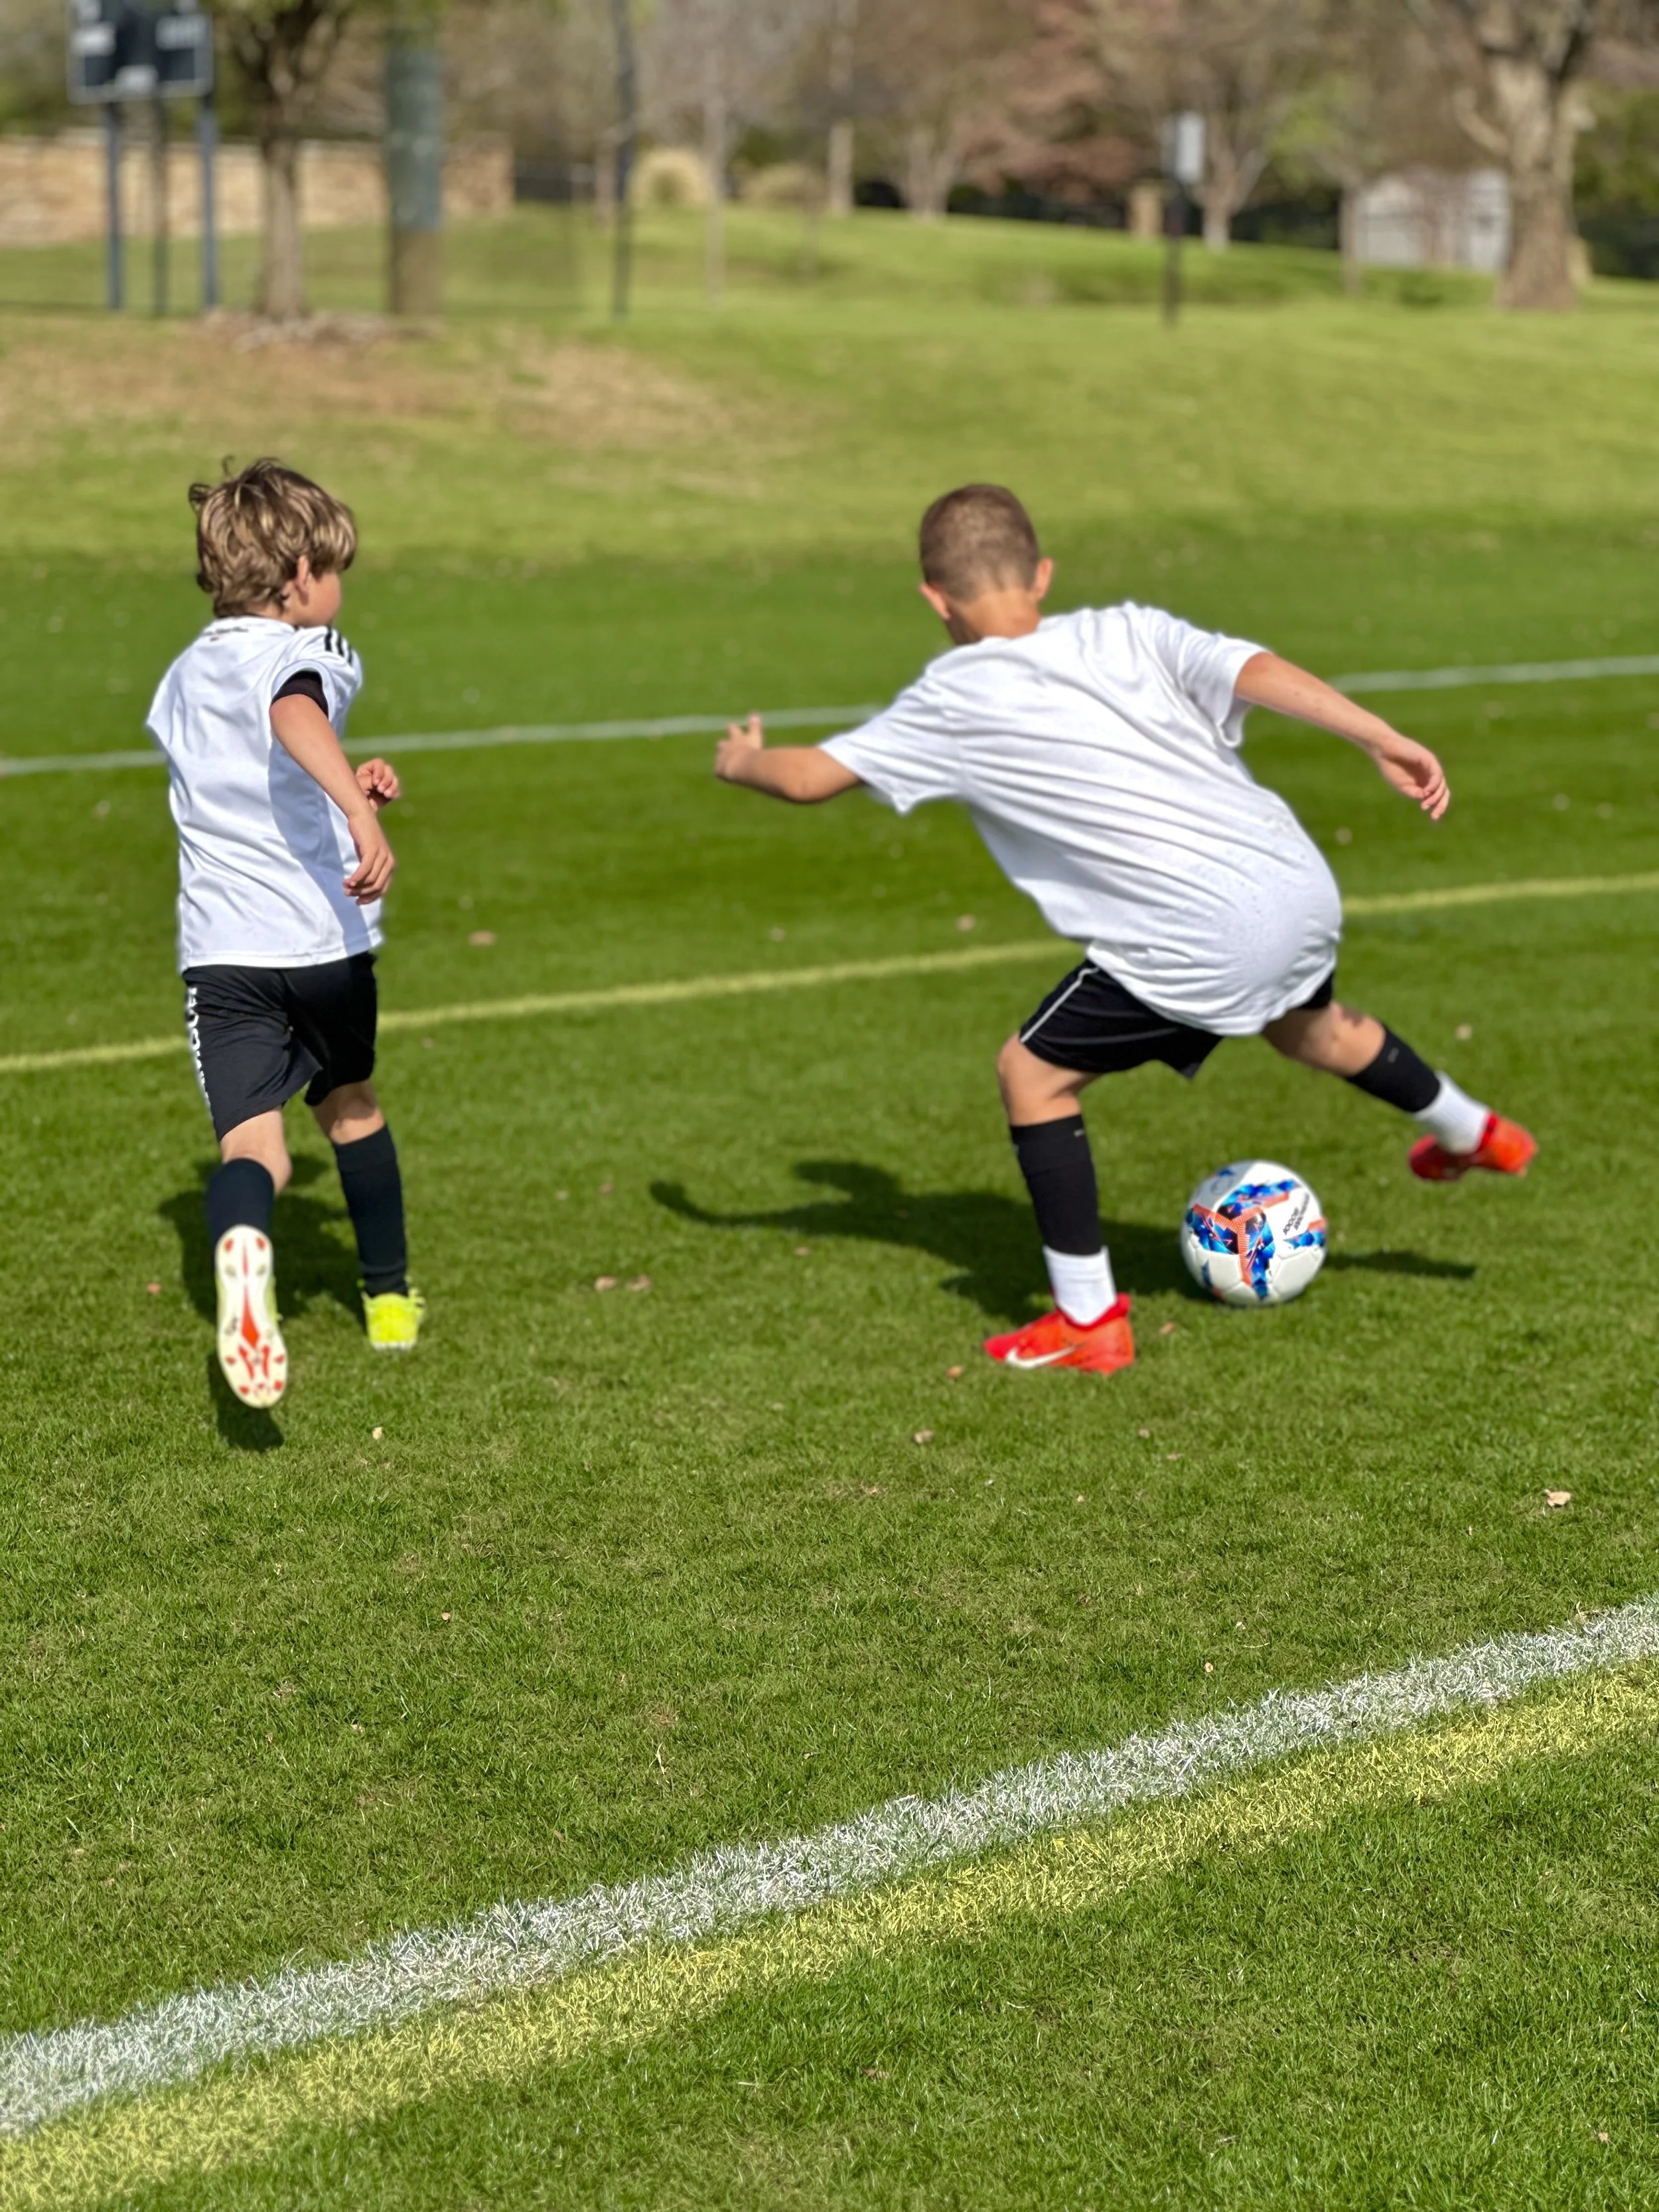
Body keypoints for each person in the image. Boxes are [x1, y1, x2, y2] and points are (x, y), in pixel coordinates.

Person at [713, 482, 1534, 1377]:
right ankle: (1474, 1132)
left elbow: (808, 779)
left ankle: (1087, 1321)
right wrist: (1375, 733)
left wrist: (744, 760)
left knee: (1031, 1075)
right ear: (1043, 574)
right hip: (1295, 884)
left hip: (1196, 929)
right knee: (1312, 1027)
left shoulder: (952, 698)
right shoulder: (1128, 629)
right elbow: (1250, 666)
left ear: (935, 599)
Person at [146, 459, 424, 1409]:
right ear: (300, 574)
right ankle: (388, 1300)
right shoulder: (313, 649)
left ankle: (243, 1247)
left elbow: (256, 762)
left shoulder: (181, 678)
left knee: (254, 1155)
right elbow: (292, 711)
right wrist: (358, 808)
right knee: (351, 1107)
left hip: (224, 955)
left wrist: (348, 781)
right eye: (336, 568)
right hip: (320, 942)